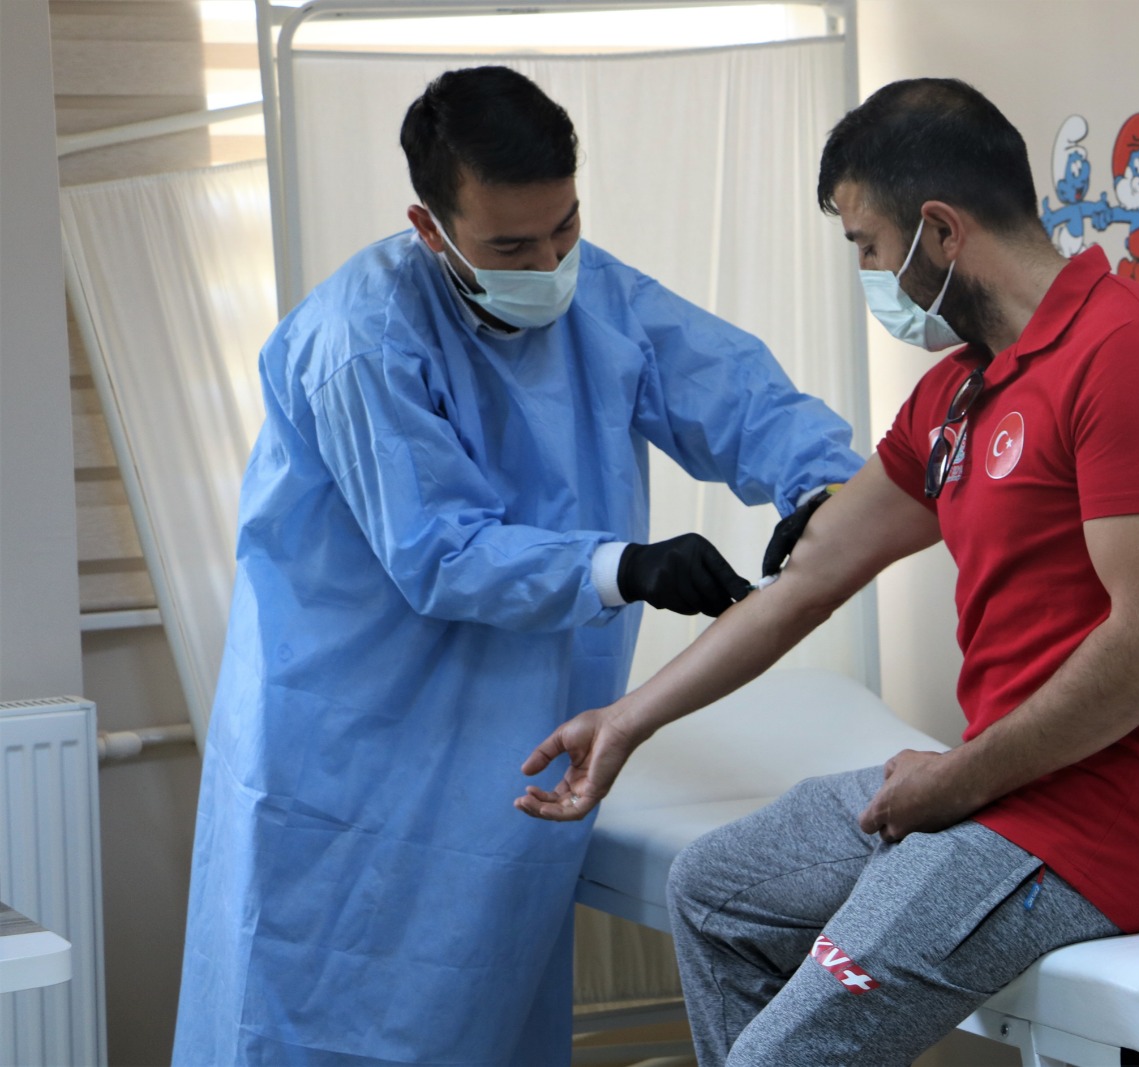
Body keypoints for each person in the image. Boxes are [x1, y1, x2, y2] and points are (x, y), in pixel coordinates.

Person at [517, 77, 1139, 1066]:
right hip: (999, 790)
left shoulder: (1133, 357)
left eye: (867, 245)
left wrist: (954, 780)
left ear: (940, 231)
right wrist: (625, 720)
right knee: (715, 890)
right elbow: (808, 579)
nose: (868, 271)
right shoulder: (959, 392)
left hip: (1106, 830)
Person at [173, 65, 862, 1066]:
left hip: (512, 744)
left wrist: (826, 486)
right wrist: (626, 567)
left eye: (564, 228)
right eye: (510, 246)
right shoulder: (359, 342)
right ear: (430, 227)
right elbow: (439, 549)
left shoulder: (598, 299)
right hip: (350, 754)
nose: (548, 263)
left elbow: (739, 394)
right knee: (318, 1020)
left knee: (482, 1015)